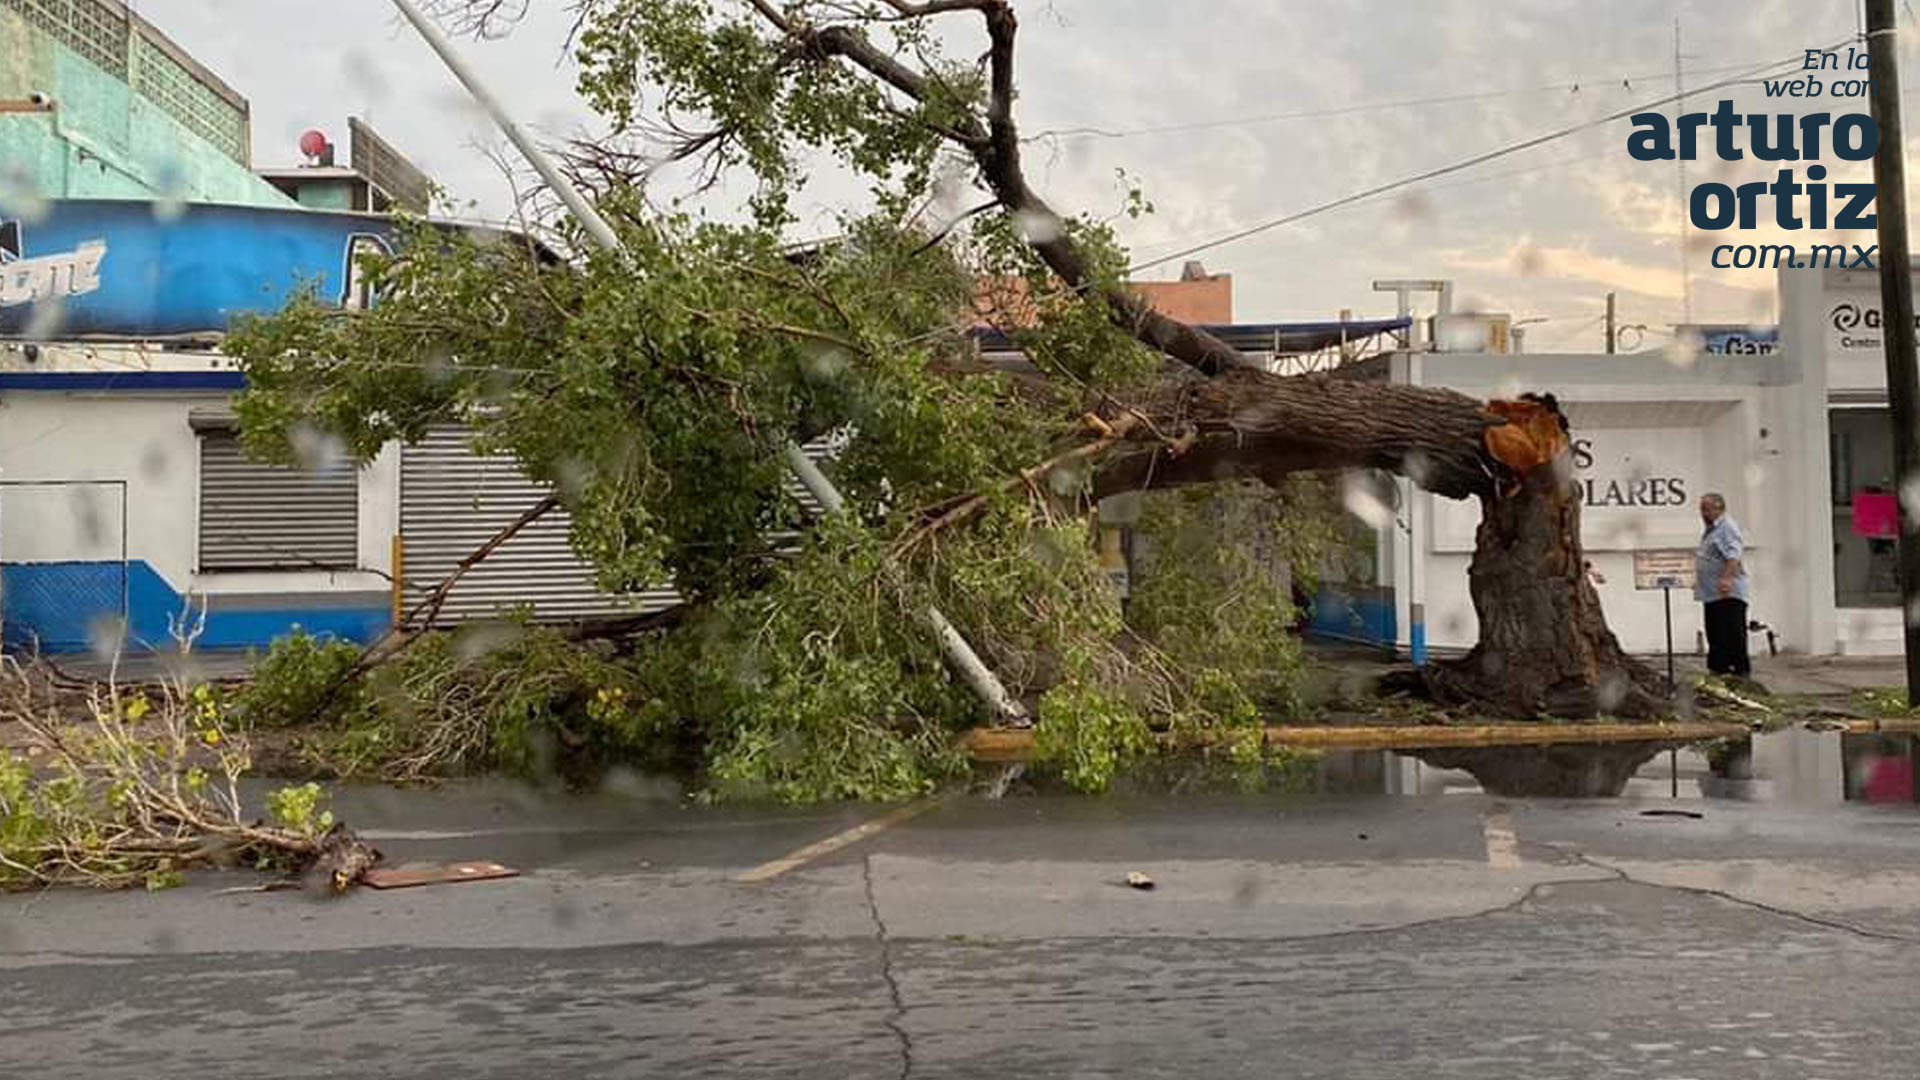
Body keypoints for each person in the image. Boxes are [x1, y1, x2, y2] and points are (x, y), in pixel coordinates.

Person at [1695, 492, 1751, 677]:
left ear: (1719, 509)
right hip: (1712, 592)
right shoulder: (1712, 529)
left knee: (1731, 632)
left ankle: (1738, 672)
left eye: (1706, 509)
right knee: (1716, 633)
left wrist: (1726, 579)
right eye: (1702, 508)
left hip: (1727, 592)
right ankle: (1718, 669)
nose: (1703, 513)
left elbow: (1733, 555)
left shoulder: (1726, 527)